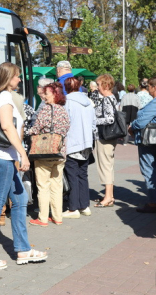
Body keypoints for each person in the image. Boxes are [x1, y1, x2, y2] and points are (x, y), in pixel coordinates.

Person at [0, 62, 47, 271]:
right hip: (1, 157)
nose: (19, 79)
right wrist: (23, 154)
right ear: (8, 77)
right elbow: (7, 126)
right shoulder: (5, 97)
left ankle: (23, 249)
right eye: (16, 76)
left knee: (20, 198)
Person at [28, 82, 70, 227]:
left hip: (44, 152)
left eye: (46, 93)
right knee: (57, 185)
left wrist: (28, 131)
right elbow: (67, 128)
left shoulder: (45, 110)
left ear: (53, 94)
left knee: (43, 185)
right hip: (60, 151)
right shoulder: (63, 111)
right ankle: (57, 217)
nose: (44, 96)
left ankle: (43, 218)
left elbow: (36, 128)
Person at [129, 78, 156, 213]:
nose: (147, 89)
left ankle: (154, 202)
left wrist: (132, 126)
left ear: (154, 87)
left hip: (149, 139)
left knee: (148, 168)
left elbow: (142, 121)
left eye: (149, 86)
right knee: (154, 168)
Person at [63, 77, 96, 218]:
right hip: (87, 143)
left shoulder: (67, 102)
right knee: (83, 174)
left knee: (72, 175)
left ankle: (73, 208)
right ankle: (84, 205)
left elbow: (65, 123)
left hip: (72, 142)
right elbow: (94, 123)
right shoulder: (88, 102)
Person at [94, 74, 120, 208]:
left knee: (105, 166)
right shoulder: (112, 98)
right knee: (107, 165)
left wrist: (94, 121)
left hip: (105, 137)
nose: (97, 87)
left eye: (98, 85)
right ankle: (109, 195)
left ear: (105, 85)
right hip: (109, 137)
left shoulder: (107, 99)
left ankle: (108, 196)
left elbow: (110, 119)